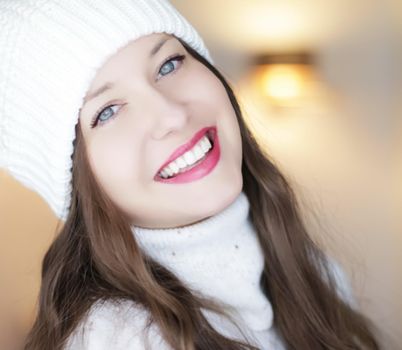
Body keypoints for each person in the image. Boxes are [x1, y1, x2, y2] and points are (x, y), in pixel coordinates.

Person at [0, 1, 381, 349]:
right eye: (108, 111)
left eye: (169, 64)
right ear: (77, 181)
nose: (171, 115)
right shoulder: (122, 337)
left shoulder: (308, 268)